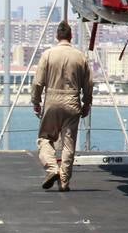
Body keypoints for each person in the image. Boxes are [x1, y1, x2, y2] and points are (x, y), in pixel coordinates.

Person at [31, 21, 92, 192]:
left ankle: (52, 169)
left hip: (52, 99)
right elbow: (89, 84)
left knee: (44, 138)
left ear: (57, 36)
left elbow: (38, 82)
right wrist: (87, 103)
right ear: (71, 36)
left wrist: (36, 102)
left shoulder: (48, 55)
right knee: (68, 143)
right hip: (73, 101)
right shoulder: (80, 57)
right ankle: (64, 180)